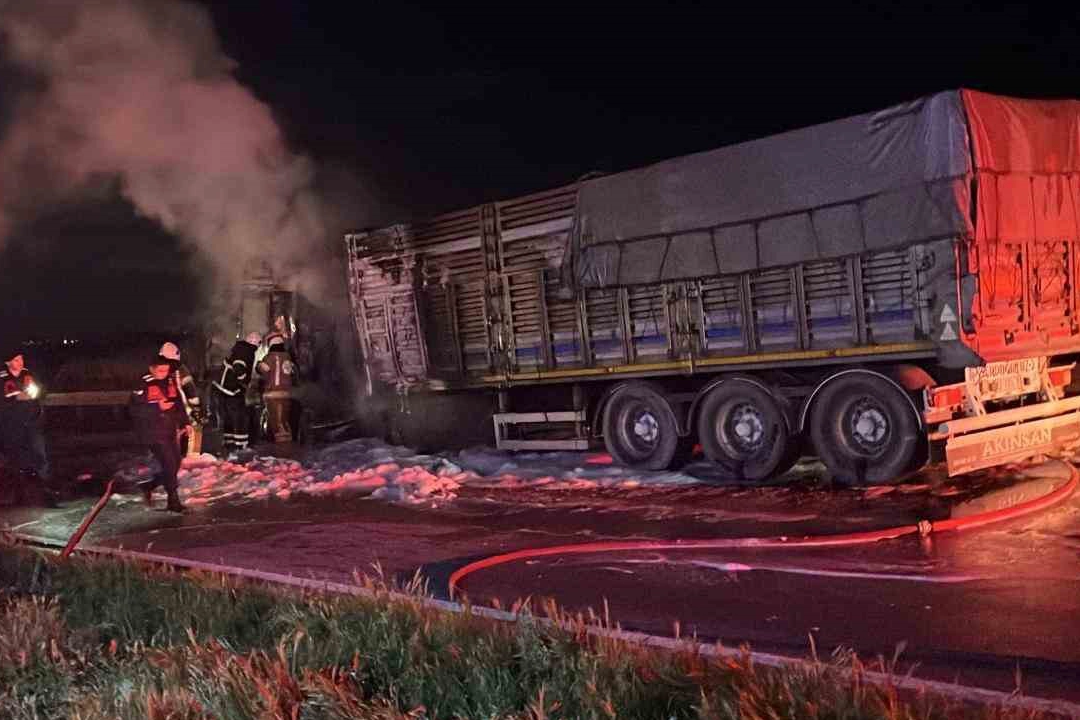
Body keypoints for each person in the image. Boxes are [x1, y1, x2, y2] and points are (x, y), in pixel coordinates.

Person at [130, 354, 189, 513]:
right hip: (152, 432)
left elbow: (178, 404)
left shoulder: (169, 381)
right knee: (169, 463)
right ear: (152, 369)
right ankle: (173, 500)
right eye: (161, 371)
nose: (164, 374)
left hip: (169, 430)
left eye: (166, 371)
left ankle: (149, 485)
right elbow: (135, 410)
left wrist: (185, 423)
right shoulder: (142, 385)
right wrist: (156, 408)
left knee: (175, 463)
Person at [0, 347, 55, 507]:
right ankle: (18, 490)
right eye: (16, 360)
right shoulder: (2, 376)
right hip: (11, 424)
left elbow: (42, 390)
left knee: (39, 452)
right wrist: (14, 398)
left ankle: (44, 485)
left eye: (21, 359)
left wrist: (36, 394)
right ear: (8, 363)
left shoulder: (29, 374)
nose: (20, 362)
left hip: (32, 422)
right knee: (16, 456)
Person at [213, 332, 260, 456]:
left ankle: (229, 443)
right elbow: (239, 367)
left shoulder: (240, 348)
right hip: (232, 389)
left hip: (223, 389)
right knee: (240, 417)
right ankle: (241, 446)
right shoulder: (247, 351)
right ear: (256, 343)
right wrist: (243, 382)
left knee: (229, 417)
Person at [159, 341, 205, 455]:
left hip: (166, 413)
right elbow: (191, 392)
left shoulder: (157, 370)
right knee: (195, 430)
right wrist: (197, 409)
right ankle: (191, 457)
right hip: (182, 412)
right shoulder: (180, 370)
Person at [258, 335, 295, 443]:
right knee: (284, 416)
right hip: (287, 392)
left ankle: (278, 440)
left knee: (274, 417)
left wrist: (258, 365)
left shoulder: (269, 357)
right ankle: (287, 437)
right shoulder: (288, 357)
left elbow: (264, 370)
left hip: (272, 391)